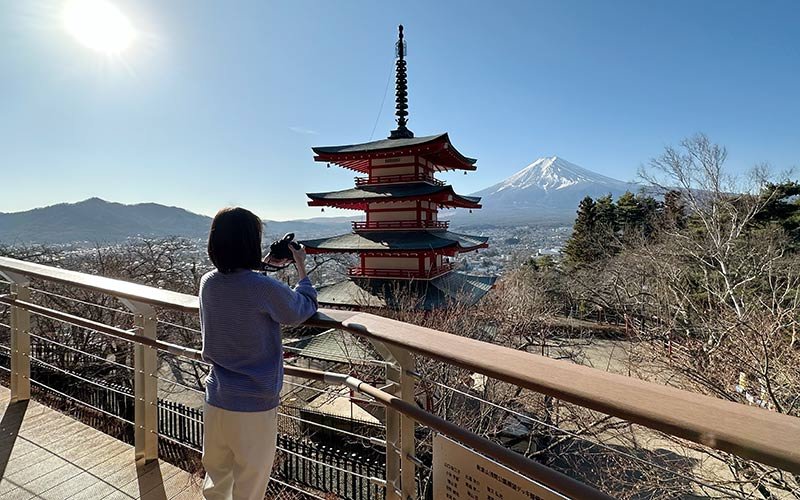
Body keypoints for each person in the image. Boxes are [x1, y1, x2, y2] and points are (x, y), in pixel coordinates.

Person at [199, 207, 318, 500]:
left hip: (217, 396)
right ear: (250, 243)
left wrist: (265, 265)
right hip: (254, 403)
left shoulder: (208, 282)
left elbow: (240, 289)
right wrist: (301, 267)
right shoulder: (262, 287)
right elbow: (301, 308)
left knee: (217, 479)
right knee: (250, 485)